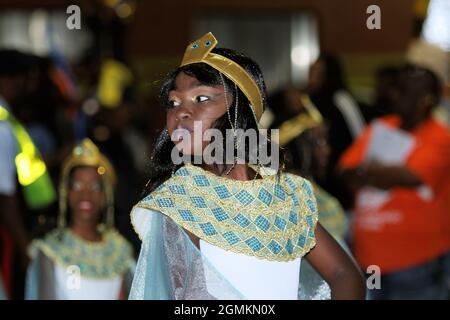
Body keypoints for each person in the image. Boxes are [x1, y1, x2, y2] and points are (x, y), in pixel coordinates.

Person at [129, 32, 365, 300]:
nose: (180, 112)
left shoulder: (286, 194)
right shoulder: (178, 200)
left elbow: (345, 276)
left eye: (201, 98)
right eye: (173, 102)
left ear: (239, 108)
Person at [338, 64, 450, 299]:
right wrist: (382, 174)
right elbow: (345, 171)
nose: (394, 95)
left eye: (404, 91)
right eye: (395, 88)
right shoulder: (380, 126)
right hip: (368, 262)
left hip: (416, 266)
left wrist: (367, 173)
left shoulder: (438, 136)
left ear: (425, 100)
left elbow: (411, 176)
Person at [26, 139, 135, 300]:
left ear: (105, 196)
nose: (86, 194)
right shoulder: (50, 250)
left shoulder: (120, 253)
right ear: (66, 193)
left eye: (95, 187)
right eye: (77, 185)